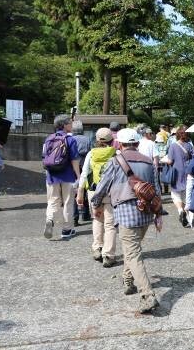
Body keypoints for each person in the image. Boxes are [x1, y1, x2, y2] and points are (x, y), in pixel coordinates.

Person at [90, 128, 162, 314]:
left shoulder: (115, 161)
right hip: (146, 213)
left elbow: (102, 187)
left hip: (125, 213)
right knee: (133, 250)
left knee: (132, 254)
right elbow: (156, 190)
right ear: (137, 143)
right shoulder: (148, 162)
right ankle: (128, 281)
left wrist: (95, 204)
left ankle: (147, 295)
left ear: (119, 144)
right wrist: (159, 214)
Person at [77, 128, 117, 267]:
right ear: (112, 140)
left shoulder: (91, 154)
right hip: (111, 192)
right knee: (110, 224)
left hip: (94, 192)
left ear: (97, 140)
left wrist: (80, 191)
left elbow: (84, 173)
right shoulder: (115, 153)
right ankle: (108, 255)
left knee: (97, 219)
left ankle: (97, 249)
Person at [43, 115, 81, 240]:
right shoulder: (70, 140)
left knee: (53, 201)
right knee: (68, 202)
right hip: (68, 176)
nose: (72, 125)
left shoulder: (49, 139)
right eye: (70, 123)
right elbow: (75, 160)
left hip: (52, 175)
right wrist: (78, 176)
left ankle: (50, 219)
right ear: (64, 125)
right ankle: (66, 230)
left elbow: (45, 158)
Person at [166, 125, 194, 227]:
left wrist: (164, 161)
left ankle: (180, 211)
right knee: (185, 194)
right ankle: (186, 213)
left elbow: (170, 161)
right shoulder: (189, 146)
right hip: (187, 172)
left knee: (175, 194)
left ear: (177, 134)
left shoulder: (173, 146)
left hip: (176, 172)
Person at [72, 120, 92, 225]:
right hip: (84, 167)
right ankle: (85, 214)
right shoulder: (87, 139)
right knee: (84, 189)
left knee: (73, 192)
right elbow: (90, 152)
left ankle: (74, 218)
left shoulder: (70, 139)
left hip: (72, 168)